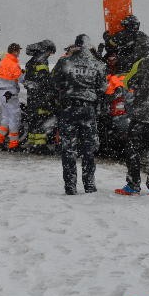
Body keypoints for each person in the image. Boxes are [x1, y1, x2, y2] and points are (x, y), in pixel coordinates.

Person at [51, 34, 107, 195]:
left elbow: (54, 82)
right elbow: (103, 88)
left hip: (68, 108)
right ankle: (89, 184)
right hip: (88, 110)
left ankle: (70, 185)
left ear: (76, 45)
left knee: (68, 148)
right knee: (88, 149)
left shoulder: (65, 62)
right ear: (89, 46)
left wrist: (67, 89)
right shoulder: (97, 64)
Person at [116, 48, 149, 196]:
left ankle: (133, 185)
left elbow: (128, 83)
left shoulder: (141, 63)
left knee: (133, 149)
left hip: (143, 114)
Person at [23, 39, 57, 153]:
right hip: (40, 96)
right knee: (40, 119)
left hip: (32, 96)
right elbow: (44, 80)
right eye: (50, 52)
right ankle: (40, 146)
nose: (49, 55)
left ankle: (32, 142)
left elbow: (29, 80)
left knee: (33, 119)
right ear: (46, 50)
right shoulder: (41, 61)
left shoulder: (31, 61)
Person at [0, 43, 24, 151]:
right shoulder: (13, 63)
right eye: (19, 51)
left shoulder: (3, 62)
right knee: (14, 117)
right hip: (10, 92)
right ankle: (13, 144)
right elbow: (21, 78)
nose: (19, 53)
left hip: (2, 92)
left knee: (6, 117)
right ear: (15, 51)